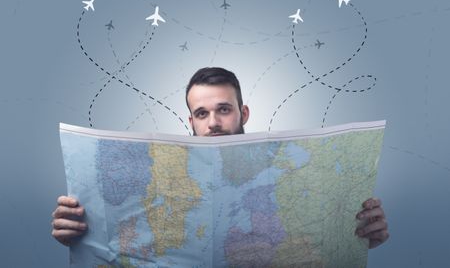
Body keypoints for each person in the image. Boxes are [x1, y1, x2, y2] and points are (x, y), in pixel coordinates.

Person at [52, 67, 389, 249]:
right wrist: (79, 233)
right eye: (201, 113)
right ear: (191, 121)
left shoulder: (290, 172)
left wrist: (358, 239)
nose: (213, 123)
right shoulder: (161, 179)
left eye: (223, 110)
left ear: (243, 113)